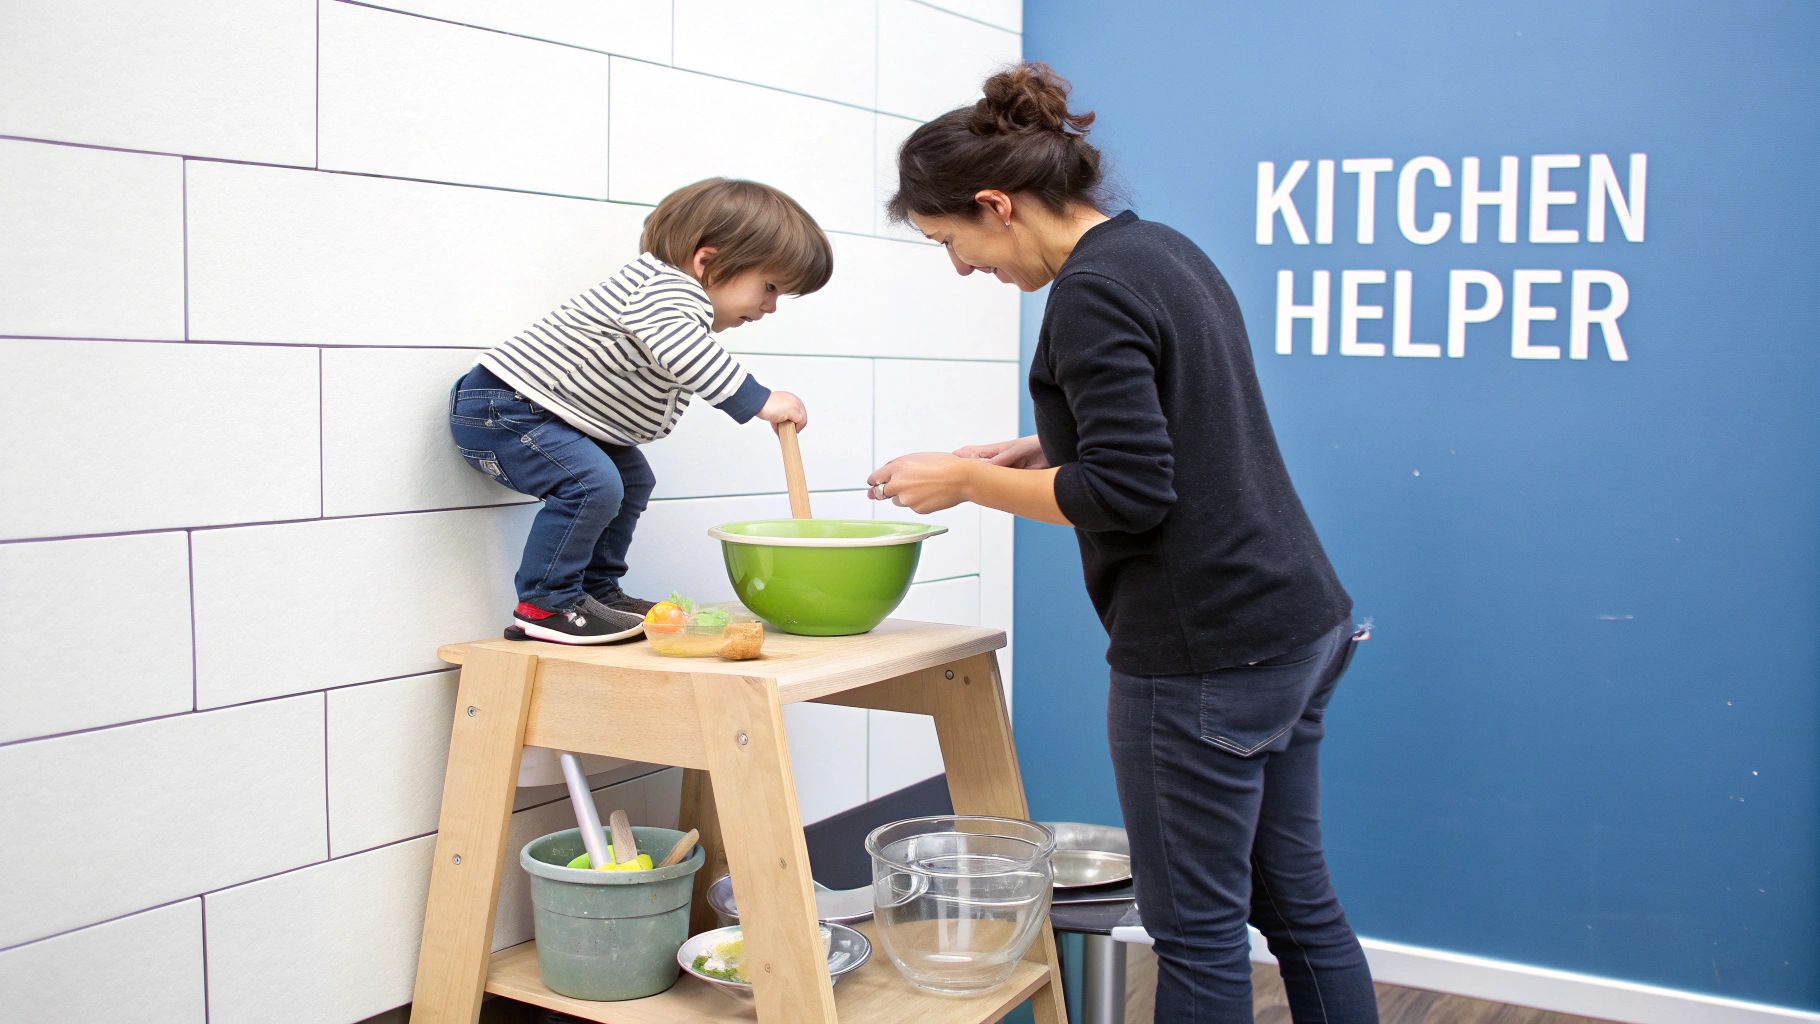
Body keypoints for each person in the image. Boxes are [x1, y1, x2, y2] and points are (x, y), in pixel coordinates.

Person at [866, 63, 1378, 1022]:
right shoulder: (1158, 250)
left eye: (952, 242)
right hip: (1298, 621)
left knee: (1196, 931)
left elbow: (1132, 494)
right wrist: (1040, 445)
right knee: (1297, 906)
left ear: (996, 204)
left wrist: (971, 482)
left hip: (1207, 651)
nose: (962, 268)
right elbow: (1187, 417)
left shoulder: (1087, 295)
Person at [451, 178, 827, 645]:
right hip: (507, 410)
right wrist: (759, 400)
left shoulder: (669, 297)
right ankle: (545, 603)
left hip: (549, 415)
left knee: (630, 480)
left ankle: (596, 590)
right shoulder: (667, 290)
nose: (770, 307)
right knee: (593, 484)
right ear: (707, 262)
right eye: (769, 287)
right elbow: (683, 349)